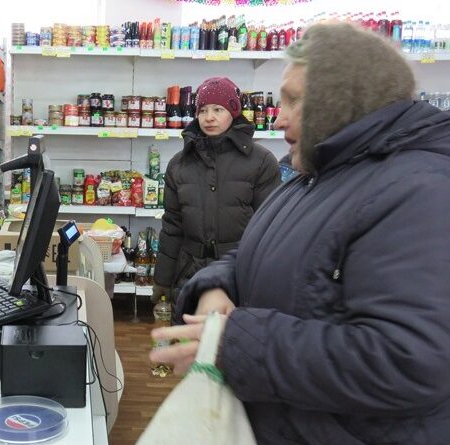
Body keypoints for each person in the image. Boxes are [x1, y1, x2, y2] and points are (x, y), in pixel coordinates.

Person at [150, 22, 450, 444]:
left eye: (293, 99)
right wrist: (215, 286)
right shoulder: (316, 178)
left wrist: (237, 344)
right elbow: (259, 253)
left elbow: (409, 360)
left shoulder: (420, 190)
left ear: (341, 98)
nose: (280, 116)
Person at [152, 77, 280, 304]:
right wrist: (162, 278)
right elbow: (172, 226)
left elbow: (270, 229)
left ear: (233, 112)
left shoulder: (261, 162)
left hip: (238, 276)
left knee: (233, 338)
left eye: (218, 109)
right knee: (185, 337)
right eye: (202, 110)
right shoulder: (179, 164)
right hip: (189, 274)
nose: (209, 117)